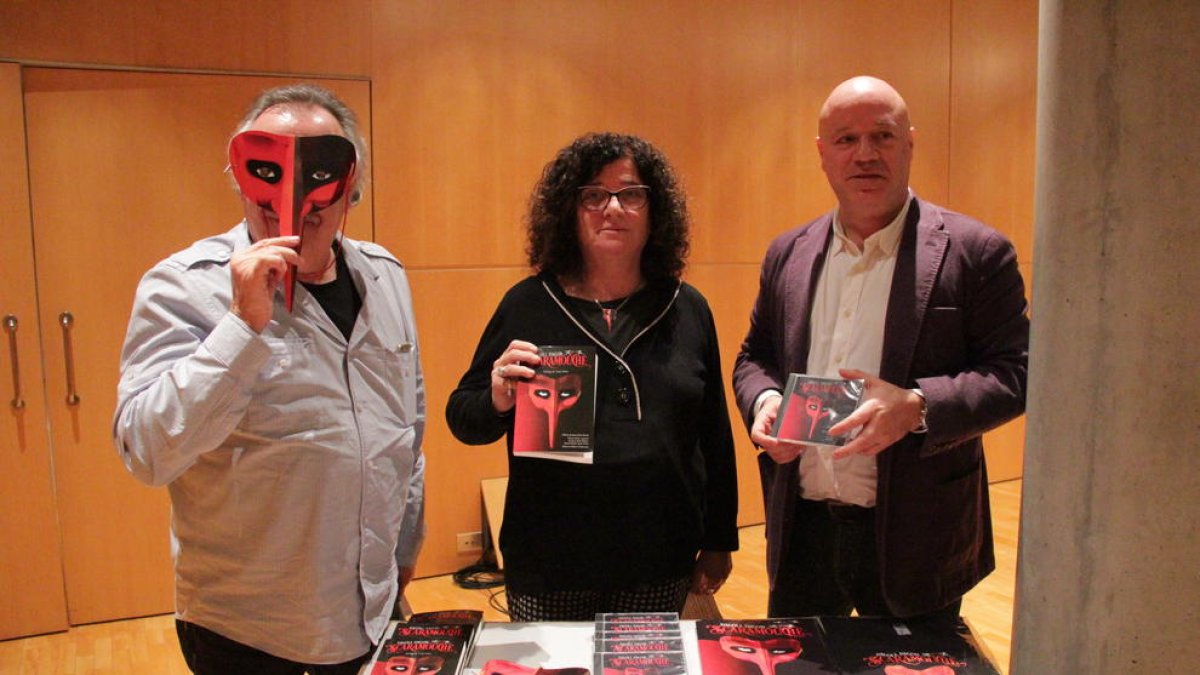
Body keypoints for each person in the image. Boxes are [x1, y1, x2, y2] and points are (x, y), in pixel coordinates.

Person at [113, 83, 425, 674]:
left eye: (319, 182)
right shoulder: (182, 287)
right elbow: (146, 451)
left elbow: (407, 431)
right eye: (267, 175)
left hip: (373, 611)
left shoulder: (385, 278)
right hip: (251, 631)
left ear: (349, 188)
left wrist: (403, 550)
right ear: (240, 178)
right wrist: (240, 327)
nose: (292, 199)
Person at [732, 76, 1029, 622]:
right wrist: (765, 401)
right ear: (823, 155)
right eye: (845, 139)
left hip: (918, 533)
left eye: (882, 136)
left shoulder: (976, 251)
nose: (864, 154)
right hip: (803, 527)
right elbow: (755, 356)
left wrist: (917, 407)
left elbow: (1017, 374)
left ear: (909, 144)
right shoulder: (788, 253)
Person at [446, 132, 739, 621]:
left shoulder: (687, 307)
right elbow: (464, 417)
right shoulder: (528, 304)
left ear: (654, 210)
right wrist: (497, 397)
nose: (613, 208)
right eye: (594, 195)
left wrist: (718, 540)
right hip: (549, 562)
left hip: (657, 557)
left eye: (631, 194)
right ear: (570, 209)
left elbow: (713, 433)